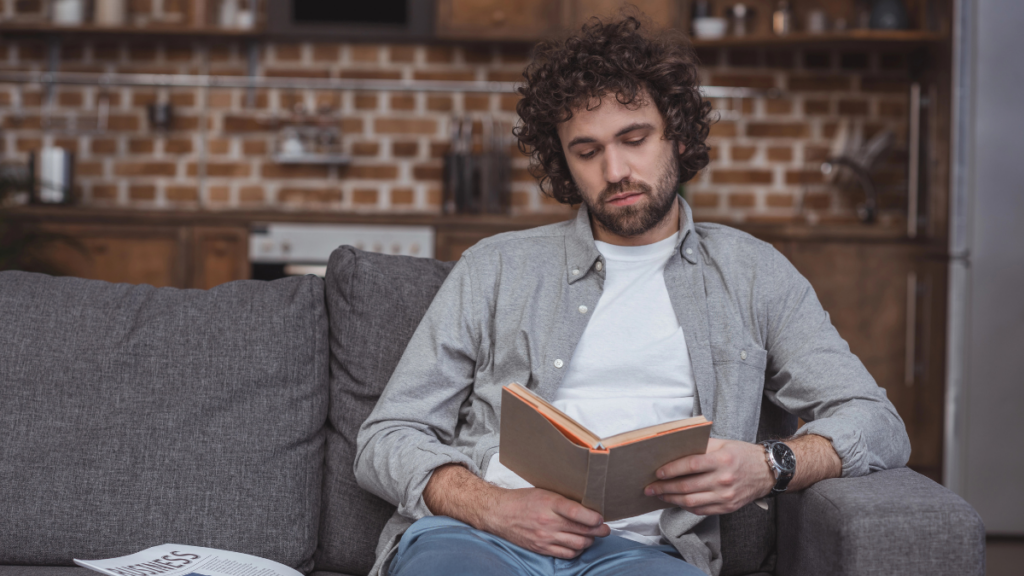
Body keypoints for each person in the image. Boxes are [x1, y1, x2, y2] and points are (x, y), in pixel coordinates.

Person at [354, 16, 910, 576]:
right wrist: (491, 506)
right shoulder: (494, 267)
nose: (615, 170)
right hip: (481, 539)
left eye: (634, 139)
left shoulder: (753, 273)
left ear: (679, 136)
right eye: (587, 150)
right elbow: (387, 435)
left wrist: (773, 464)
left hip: (648, 554)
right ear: (565, 162)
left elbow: (876, 421)